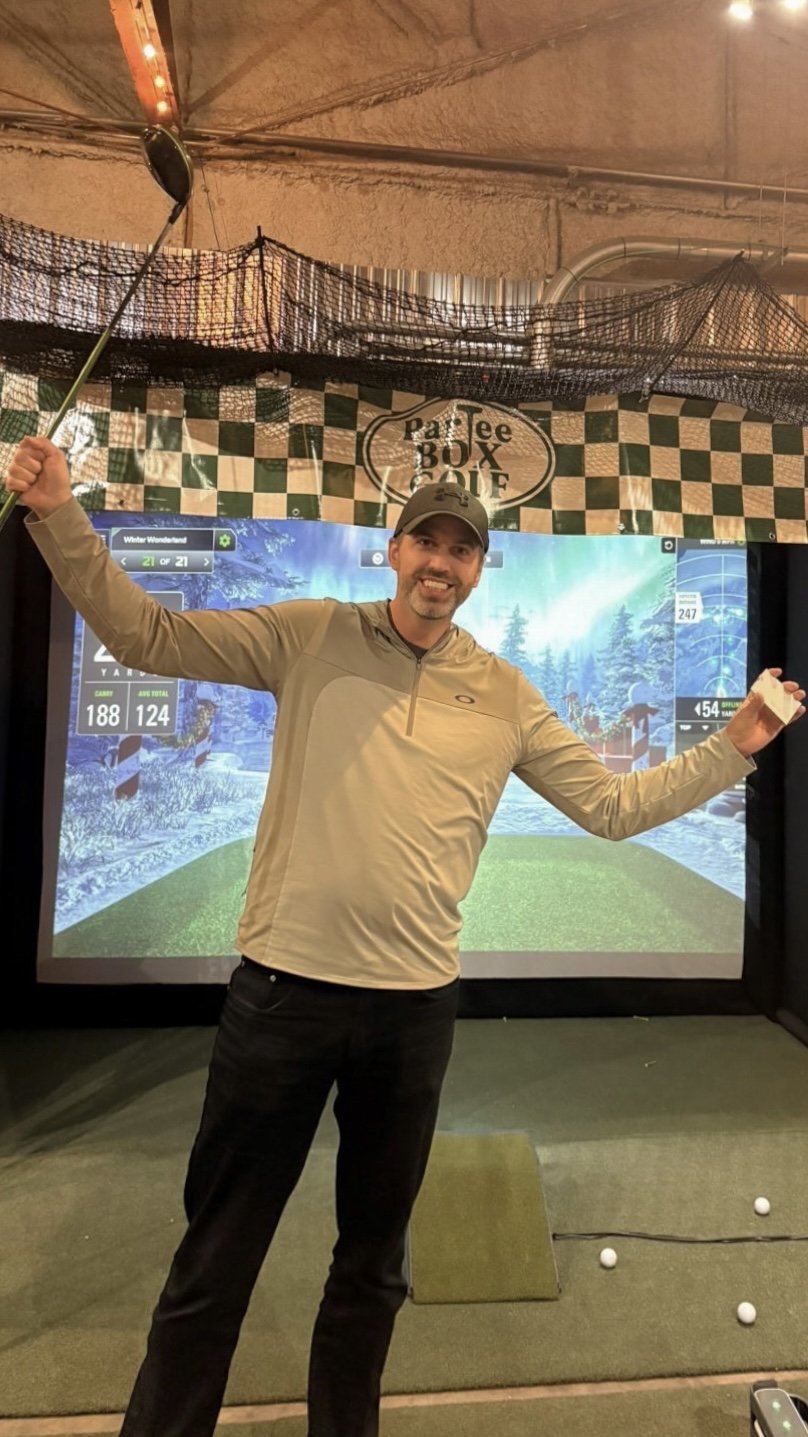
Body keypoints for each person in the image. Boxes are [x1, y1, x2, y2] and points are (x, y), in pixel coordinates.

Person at [5, 435, 805, 1437]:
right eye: (424, 542)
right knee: (215, 1265)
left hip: (412, 1017)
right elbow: (149, 638)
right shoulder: (308, 634)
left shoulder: (506, 694)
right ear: (393, 551)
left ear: (477, 568)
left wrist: (733, 749)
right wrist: (58, 515)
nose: (440, 563)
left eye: (460, 549)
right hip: (281, 1004)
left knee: (371, 1274)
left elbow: (608, 804)